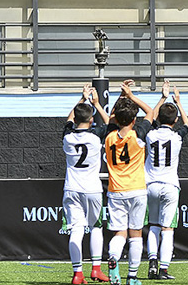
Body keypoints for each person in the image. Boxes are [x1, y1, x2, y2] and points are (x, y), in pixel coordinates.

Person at [103, 82, 155, 285]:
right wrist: (131, 95)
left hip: (116, 191)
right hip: (137, 190)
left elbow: (112, 118)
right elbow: (150, 111)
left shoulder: (108, 137)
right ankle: (132, 277)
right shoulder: (138, 135)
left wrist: (120, 97)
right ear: (134, 120)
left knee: (119, 233)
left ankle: (114, 257)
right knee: (135, 234)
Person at [62, 84, 111, 285]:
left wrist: (81, 100)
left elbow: (68, 120)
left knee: (76, 229)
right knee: (96, 226)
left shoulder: (67, 137)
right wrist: (97, 104)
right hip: (92, 188)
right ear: (91, 120)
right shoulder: (96, 135)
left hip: (71, 188)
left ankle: (77, 273)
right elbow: (111, 124)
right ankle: (96, 269)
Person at [143, 82, 188, 281]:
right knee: (167, 228)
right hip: (170, 185)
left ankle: (152, 262)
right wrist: (178, 102)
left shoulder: (150, 134)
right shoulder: (177, 137)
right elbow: (187, 125)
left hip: (150, 183)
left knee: (153, 225)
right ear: (175, 119)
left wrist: (162, 98)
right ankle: (163, 268)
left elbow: (150, 118)